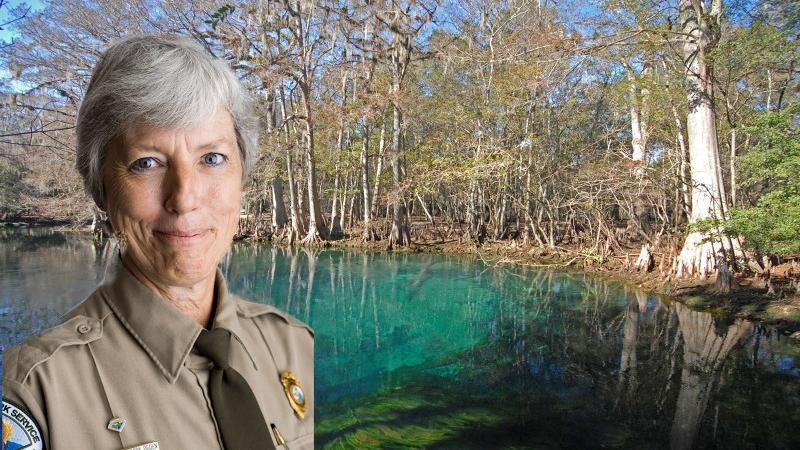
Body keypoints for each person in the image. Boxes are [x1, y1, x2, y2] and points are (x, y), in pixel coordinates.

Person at [2, 34, 313, 450]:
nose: (184, 198)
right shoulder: (35, 389)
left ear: (243, 174)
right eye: (147, 163)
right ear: (101, 188)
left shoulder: (296, 344)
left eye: (212, 158)